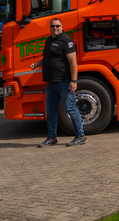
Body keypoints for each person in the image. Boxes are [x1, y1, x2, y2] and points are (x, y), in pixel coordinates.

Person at [30, 18, 87, 147]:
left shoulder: (66, 41)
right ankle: (51, 137)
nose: (55, 28)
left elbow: (73, 62)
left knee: (70, 109)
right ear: (49, 27)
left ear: (62, 27)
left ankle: (80, 135)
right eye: (53, 26)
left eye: (57, 26)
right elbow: (47, 57)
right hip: (51, 82)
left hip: (64, 82)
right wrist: (37, 64)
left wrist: (74, 81)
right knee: (50, 110)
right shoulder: (49, 40)